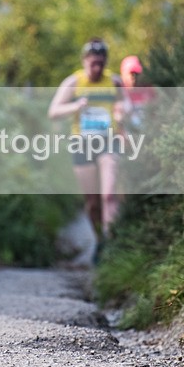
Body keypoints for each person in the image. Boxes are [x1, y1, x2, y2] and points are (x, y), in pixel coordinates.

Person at [48, 38, 129, 247]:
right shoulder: (74, 82)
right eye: (93, 63)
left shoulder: (114, 81)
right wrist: (75, 107)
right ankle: (100, 239)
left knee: (109, 195)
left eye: (101, 63)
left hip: (108, 142)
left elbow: (125, 104)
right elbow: (54, 112)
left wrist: (121, 113)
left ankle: (111, 245)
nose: (97, 68)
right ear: (84, 61)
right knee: (92, 202)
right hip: (82, 145)